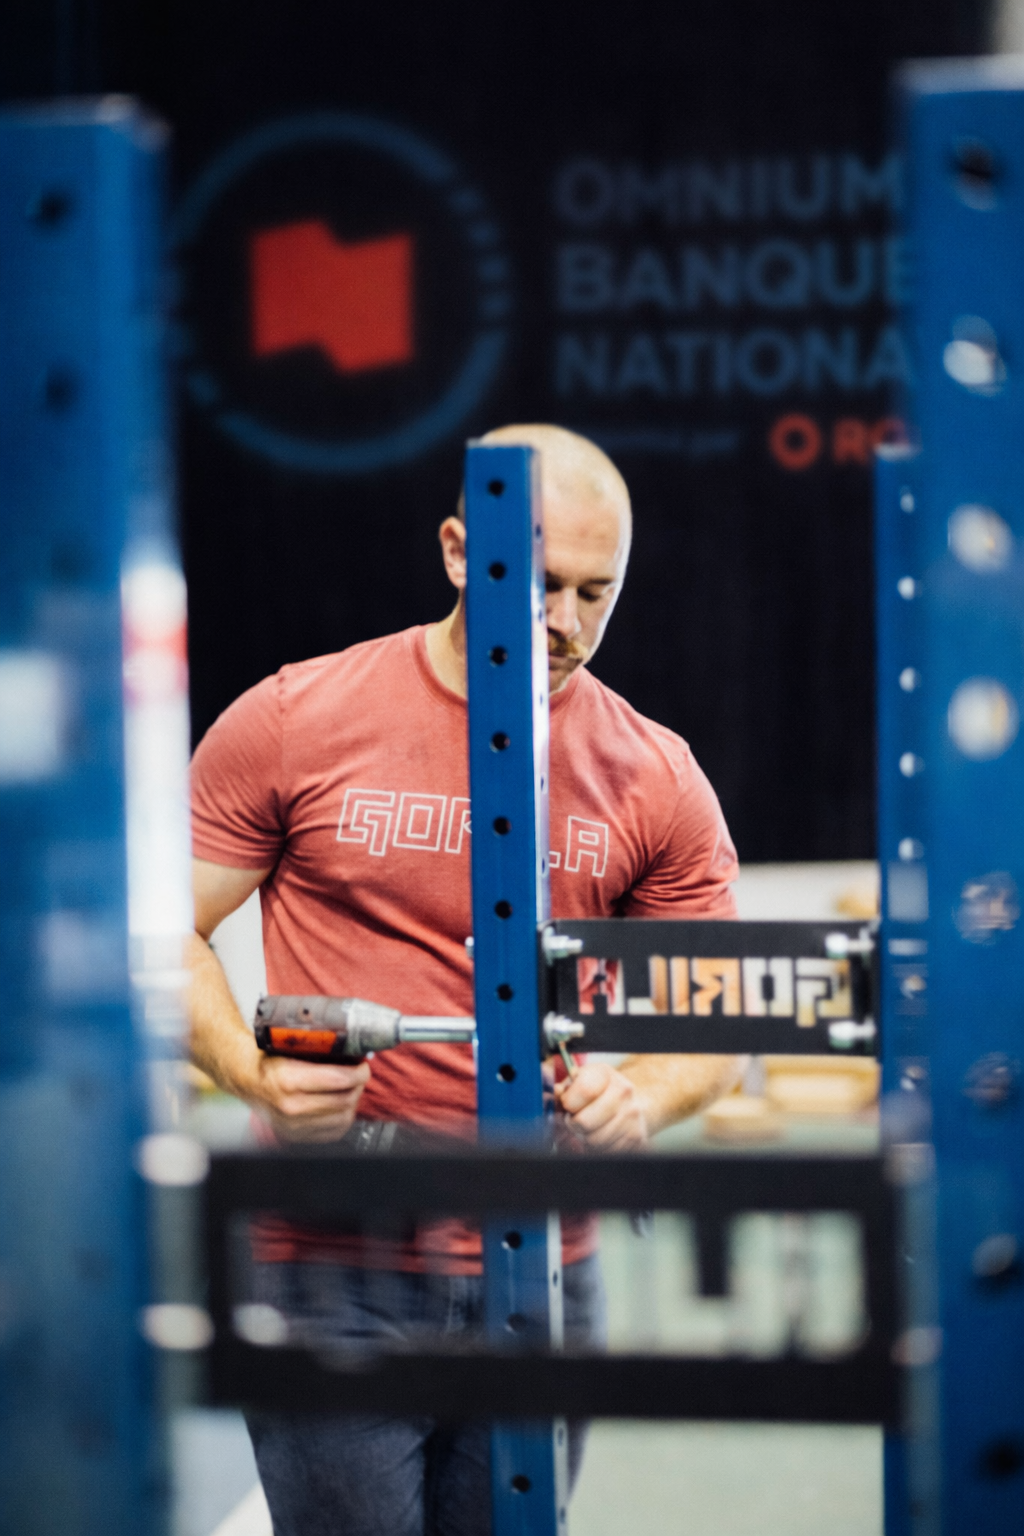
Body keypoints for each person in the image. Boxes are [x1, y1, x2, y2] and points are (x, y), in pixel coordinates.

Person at [187, 423, 742, 1536]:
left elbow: (715, 1018)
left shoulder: (655, 775)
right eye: (538, 583)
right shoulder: (298, 718)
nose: (565, 625)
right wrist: (253, 1073)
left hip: (541, 1261)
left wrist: (644, 1099)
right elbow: (164, 935)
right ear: (457, 550)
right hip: (329, 1256)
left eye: (597, 593)